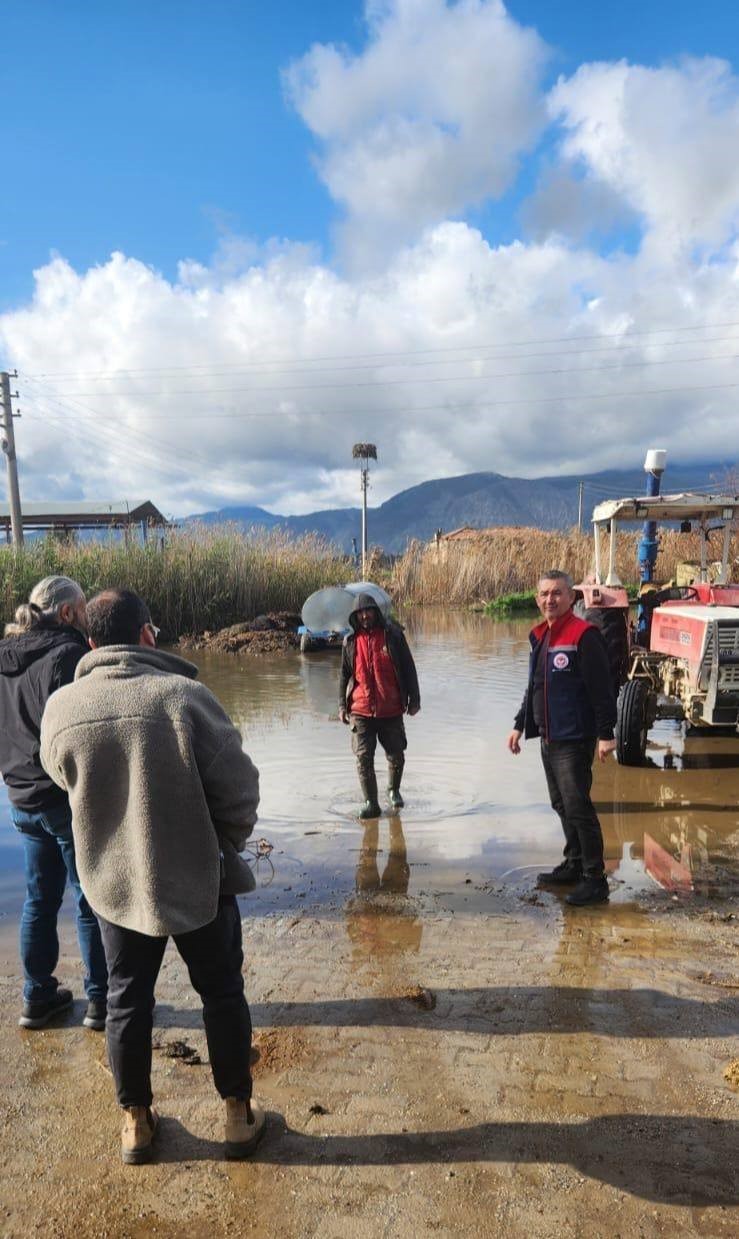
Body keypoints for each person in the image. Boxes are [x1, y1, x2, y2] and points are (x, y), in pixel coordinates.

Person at [40, 588, 264, 1165]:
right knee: (221, 993)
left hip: (113, 884)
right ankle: (238, 1119)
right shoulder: (186, 697)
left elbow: (57, 773)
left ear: (91, 643)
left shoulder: (62, 708)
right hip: (200, 880)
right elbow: (240, 791)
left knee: (126, 1002)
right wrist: (223, 845)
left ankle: (136, 1123)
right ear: (147, 634)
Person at [0, 575, 107, 1030]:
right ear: (67, 613)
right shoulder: (70, 656)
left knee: (39, 899)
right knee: (90, 897)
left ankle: (36, 995)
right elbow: (81, 733)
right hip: (62, 797)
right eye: (83, 610)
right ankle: (102, 1001)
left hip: (20, 797)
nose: (86, 619)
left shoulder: (4, 657)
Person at [506, 570, 617, 907]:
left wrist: (606, 734)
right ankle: (573, 863)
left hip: (574, 738)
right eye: (543, 594)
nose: (549, 600)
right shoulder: (541, 636)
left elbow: (603, 689)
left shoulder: (584, 635)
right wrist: (518, 725)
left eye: (556, 593)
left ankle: (595, 880)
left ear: (572, 598)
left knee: (579, 807)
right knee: (560, 803)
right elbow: (535, 687)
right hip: (548, 738)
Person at [339, 593, 420, 819]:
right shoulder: (350, 642)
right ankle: (371, 803)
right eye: (360, 613)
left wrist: (415, 699)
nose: (365, 616)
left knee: (396, 755)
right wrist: (341, 706)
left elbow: (408, 667)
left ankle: (393, 790)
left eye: (369, 611)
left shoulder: (393, 636)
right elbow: (344, 675)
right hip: (360, 709)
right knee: (363, 758)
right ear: (355, 617)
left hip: (390, 708)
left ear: (376, 611)